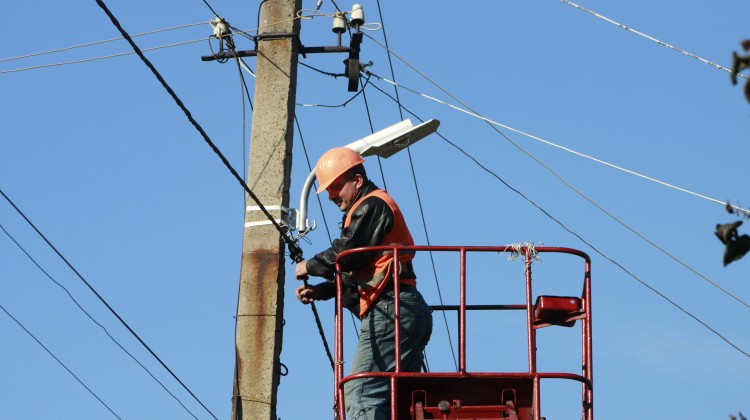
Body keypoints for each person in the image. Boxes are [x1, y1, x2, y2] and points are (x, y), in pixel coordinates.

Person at [295, 147, 433, 420]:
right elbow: (358, 271)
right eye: (328, 190)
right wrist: (321, 291)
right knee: (398, 402)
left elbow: (349, 253)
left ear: (357, 180)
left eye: (336, 187)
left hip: (391, 310)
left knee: (361, 392)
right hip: (403, 309)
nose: (331, 196)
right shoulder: (368, 209)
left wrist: (310, 265)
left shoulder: (372, 205)